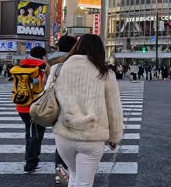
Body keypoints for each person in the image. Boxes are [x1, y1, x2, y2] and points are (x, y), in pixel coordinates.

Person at [48, 34, 123, 187]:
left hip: (64, 133)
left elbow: (49, 96)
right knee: (84, 182)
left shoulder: (58, 69)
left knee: (74, 175)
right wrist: (114, 138)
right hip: (92, 136)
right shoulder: (106, 74)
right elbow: (114, 110)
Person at [11, 47, 48, 173]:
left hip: (21, 106)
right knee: (35, 135)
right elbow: (45, 86)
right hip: (35, 106)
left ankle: (31, 159)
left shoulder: (21, 66)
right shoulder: (41, 68)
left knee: (31, 132)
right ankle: (31, 163)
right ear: (43, 56)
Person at [46, 35, 77, 185]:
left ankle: (60, 172)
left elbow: (48, 85)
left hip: (56, 105)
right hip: (74, 105)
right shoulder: (74, 60)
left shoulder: (50, 61)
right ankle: (75, 172)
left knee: (61, 140)